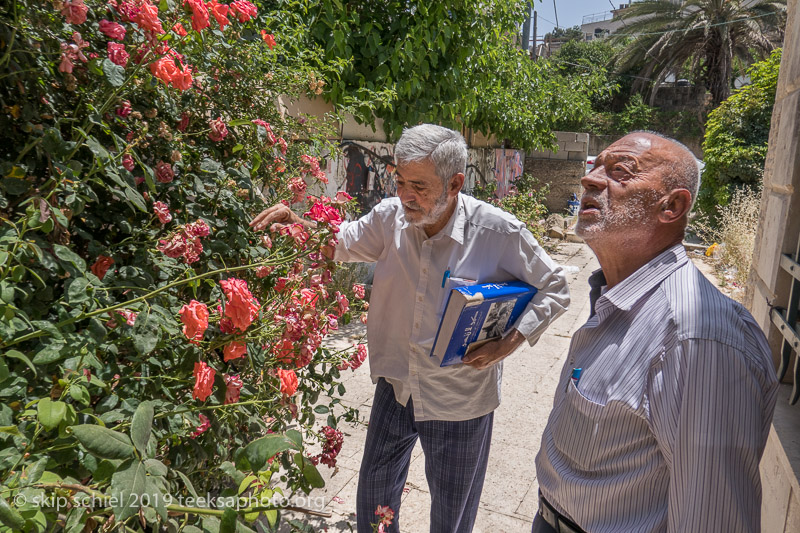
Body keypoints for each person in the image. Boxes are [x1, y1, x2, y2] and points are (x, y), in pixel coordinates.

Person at [251, 124, 570, 533]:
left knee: (450, 518)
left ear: (455, 183)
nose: (405, 195)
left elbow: (556, 285)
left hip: (460, 400)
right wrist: (296, 222)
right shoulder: (389, 218)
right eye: (400, 181)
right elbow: (340, 242)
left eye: (419, 186)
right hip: (396, 387)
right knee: (374, 504)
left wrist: (508, 343)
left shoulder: (498, 232)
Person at [532, 132, 779, 533]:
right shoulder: (615, 296)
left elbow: (710, 520)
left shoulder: (698, 339)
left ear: (673, 206)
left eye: (620, 172)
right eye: (595, 166)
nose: (590, 180)